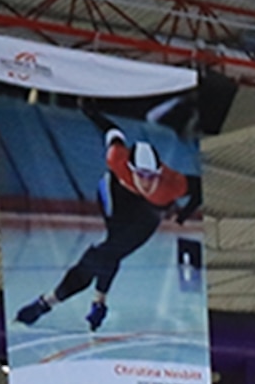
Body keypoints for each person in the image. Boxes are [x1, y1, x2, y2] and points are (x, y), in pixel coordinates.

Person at [16, 127, 198, 334]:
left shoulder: (171, 185)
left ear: (159, 174)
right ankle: (90, 301)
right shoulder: (116, 159)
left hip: (147, 214)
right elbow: (113, 132)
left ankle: (53, 302)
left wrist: (183, 215)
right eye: (141, 174)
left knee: (108, 251)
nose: (147, 182)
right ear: (129, 168)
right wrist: (90, 110)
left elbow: (199, 188)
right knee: (107, 250)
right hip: (114, 195)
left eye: (152, 176)